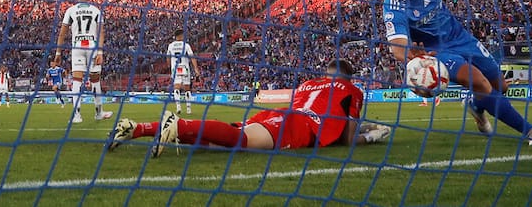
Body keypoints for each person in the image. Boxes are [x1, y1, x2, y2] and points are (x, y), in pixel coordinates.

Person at [379, 0, 532, 145]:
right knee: (479, 81)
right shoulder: (393, 6)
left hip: (460, 37)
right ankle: (531, 132)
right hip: (436, 51)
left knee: (500, 86)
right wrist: (413, 57)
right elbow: (398, 48)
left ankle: (475, 104)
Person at [108, 59, 391, 157]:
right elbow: (347, 139)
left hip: (280, 116)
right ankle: (179, 124)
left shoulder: (308, 84)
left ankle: (139, 128)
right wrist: (371, 136)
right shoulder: (351, 90)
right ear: (349, 78)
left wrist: (366, 126)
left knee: (223, 141)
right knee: (241, 142)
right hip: (298, 127)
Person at [54, 0, 112, 123]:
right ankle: (99, 112)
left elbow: (62, 33)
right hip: (92, 46)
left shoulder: (70, 11)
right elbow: (101, 33)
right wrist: (100, 52)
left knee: (77, 81)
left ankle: (76, 116)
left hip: (77, 47)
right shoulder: (97, 11)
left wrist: (58, 52)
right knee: (95, 80)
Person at [166, 29, 199, 115]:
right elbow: (192, 57)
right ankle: (188, 109)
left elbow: (168, 58)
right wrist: (196, 68)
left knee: (176, 87)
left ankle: (178, 107)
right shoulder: (186, 45)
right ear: (180, 36)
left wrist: (169, 65)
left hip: (175, 68)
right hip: (184, 67)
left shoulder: (171, 46)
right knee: (187, 88)